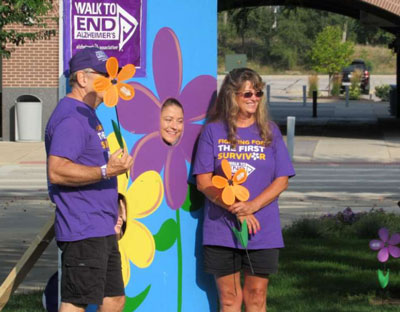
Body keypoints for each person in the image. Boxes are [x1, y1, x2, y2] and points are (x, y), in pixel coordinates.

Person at [193, 68, 295, 312]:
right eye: (248, 93)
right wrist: (237, 209)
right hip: (221, 229)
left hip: (262, 228)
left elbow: (282, 180)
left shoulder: (269, 131)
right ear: (232, 95)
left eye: (258, 92)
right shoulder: (213, 131)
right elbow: (203, 182)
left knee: (256, 297)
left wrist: (252, 207)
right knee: (229, 298)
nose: (254, 98)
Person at [45, 47, 133, 312]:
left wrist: (114, 203)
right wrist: (106, 171)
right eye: (103, 75)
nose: (110, 81)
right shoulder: (72, 117)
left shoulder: (87, 114)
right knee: (76, 303)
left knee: (114, 299)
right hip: (83, 227)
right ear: (82, 79)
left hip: (100, 225)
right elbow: (57, 170)